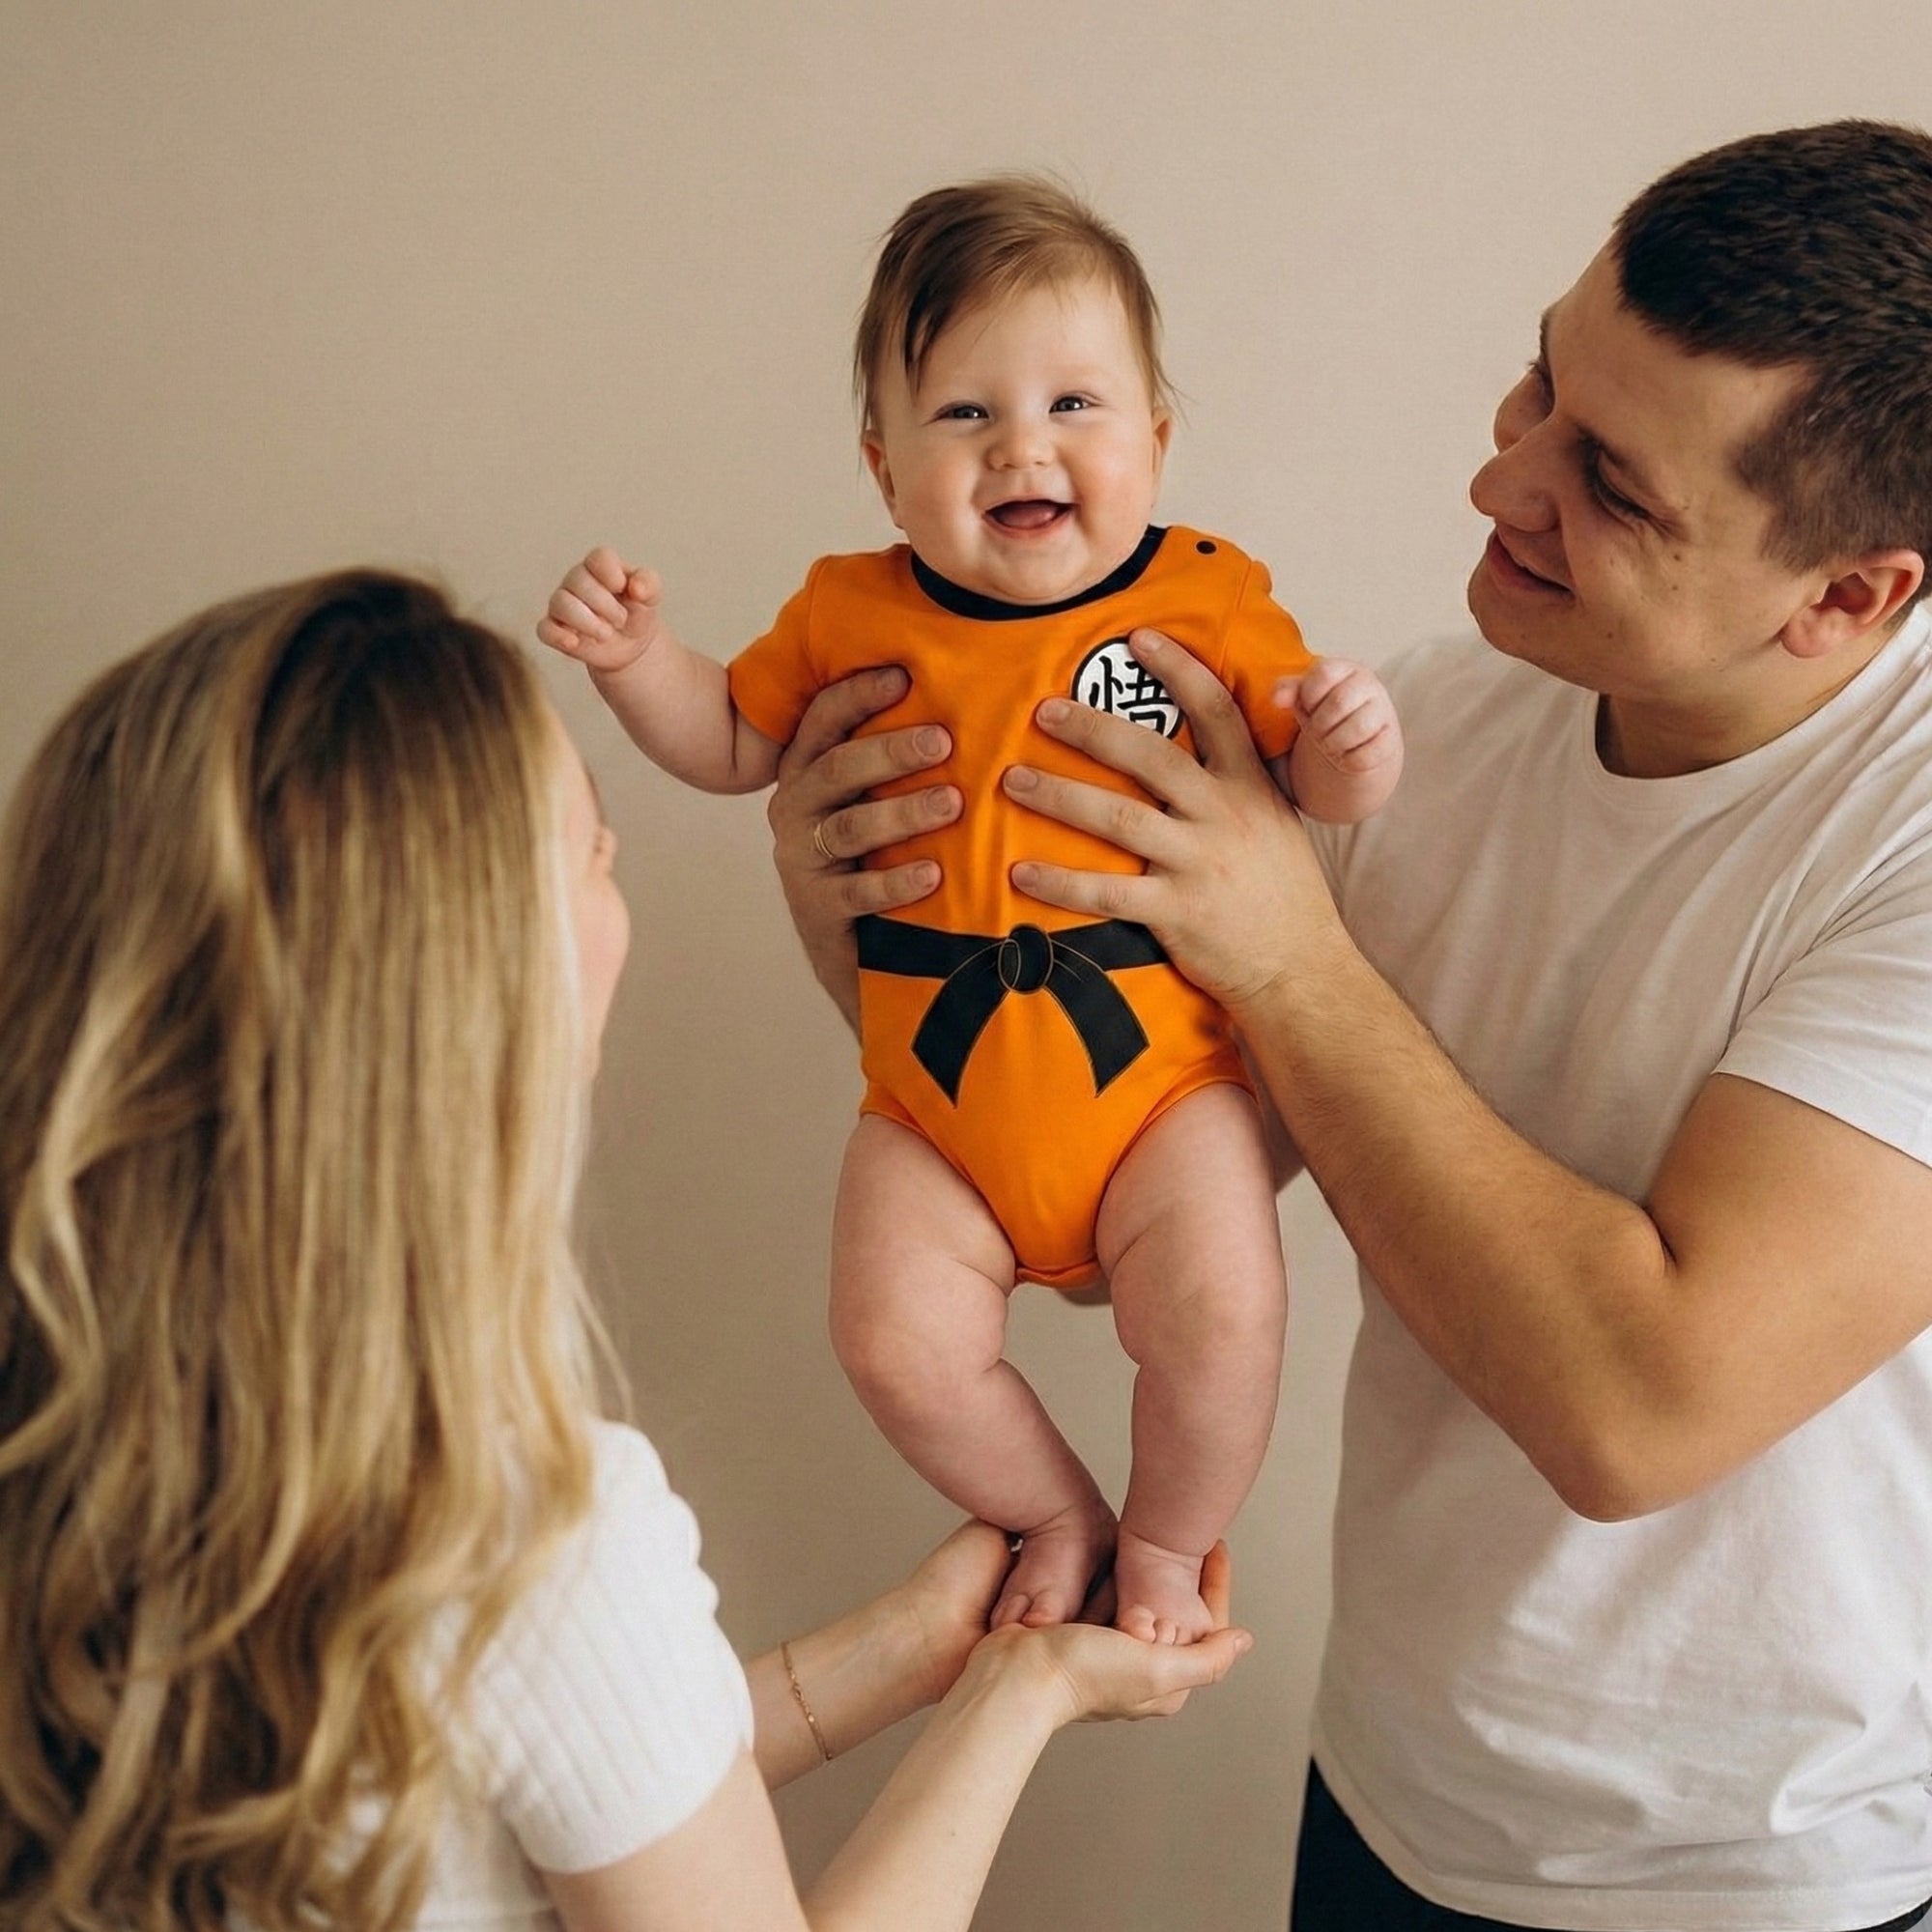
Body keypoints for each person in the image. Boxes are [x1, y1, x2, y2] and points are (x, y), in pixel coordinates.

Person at [767, 119, 1932, 1930]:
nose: (1501, 481)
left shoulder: (1903, 846)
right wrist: (837, 905)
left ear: (1848, 595)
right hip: (1392, 1789)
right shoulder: (1438, 724)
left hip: (1759, 1877)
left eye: (1612, 485)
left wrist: (1291, 958)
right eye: (1540, 384)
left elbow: (1635, 1413)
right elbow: (1085, 1215)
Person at [0, 569, 1250, 1932]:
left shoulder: (71, 1440)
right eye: (596, 850)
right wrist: (1024, 1695)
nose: (618, 899)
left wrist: (910, 1646)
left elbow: (547, 1770)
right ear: (485, 990)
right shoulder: (517, 1537)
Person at [538, 175, 1403, 1645]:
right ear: (885, 472)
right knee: (889, 1339)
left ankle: (1165, 1543)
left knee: (1223, 1317)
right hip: (933, 1099)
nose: (1023, 445)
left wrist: (1349, 743)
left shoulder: (1203, 601)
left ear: (1156, 443)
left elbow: (1307, 783)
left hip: (1158, 1085)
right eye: (963, 413)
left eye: (1075, 403)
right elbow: (733, 742)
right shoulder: (848, 611)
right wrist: (636, 664)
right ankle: (1056, 1513)